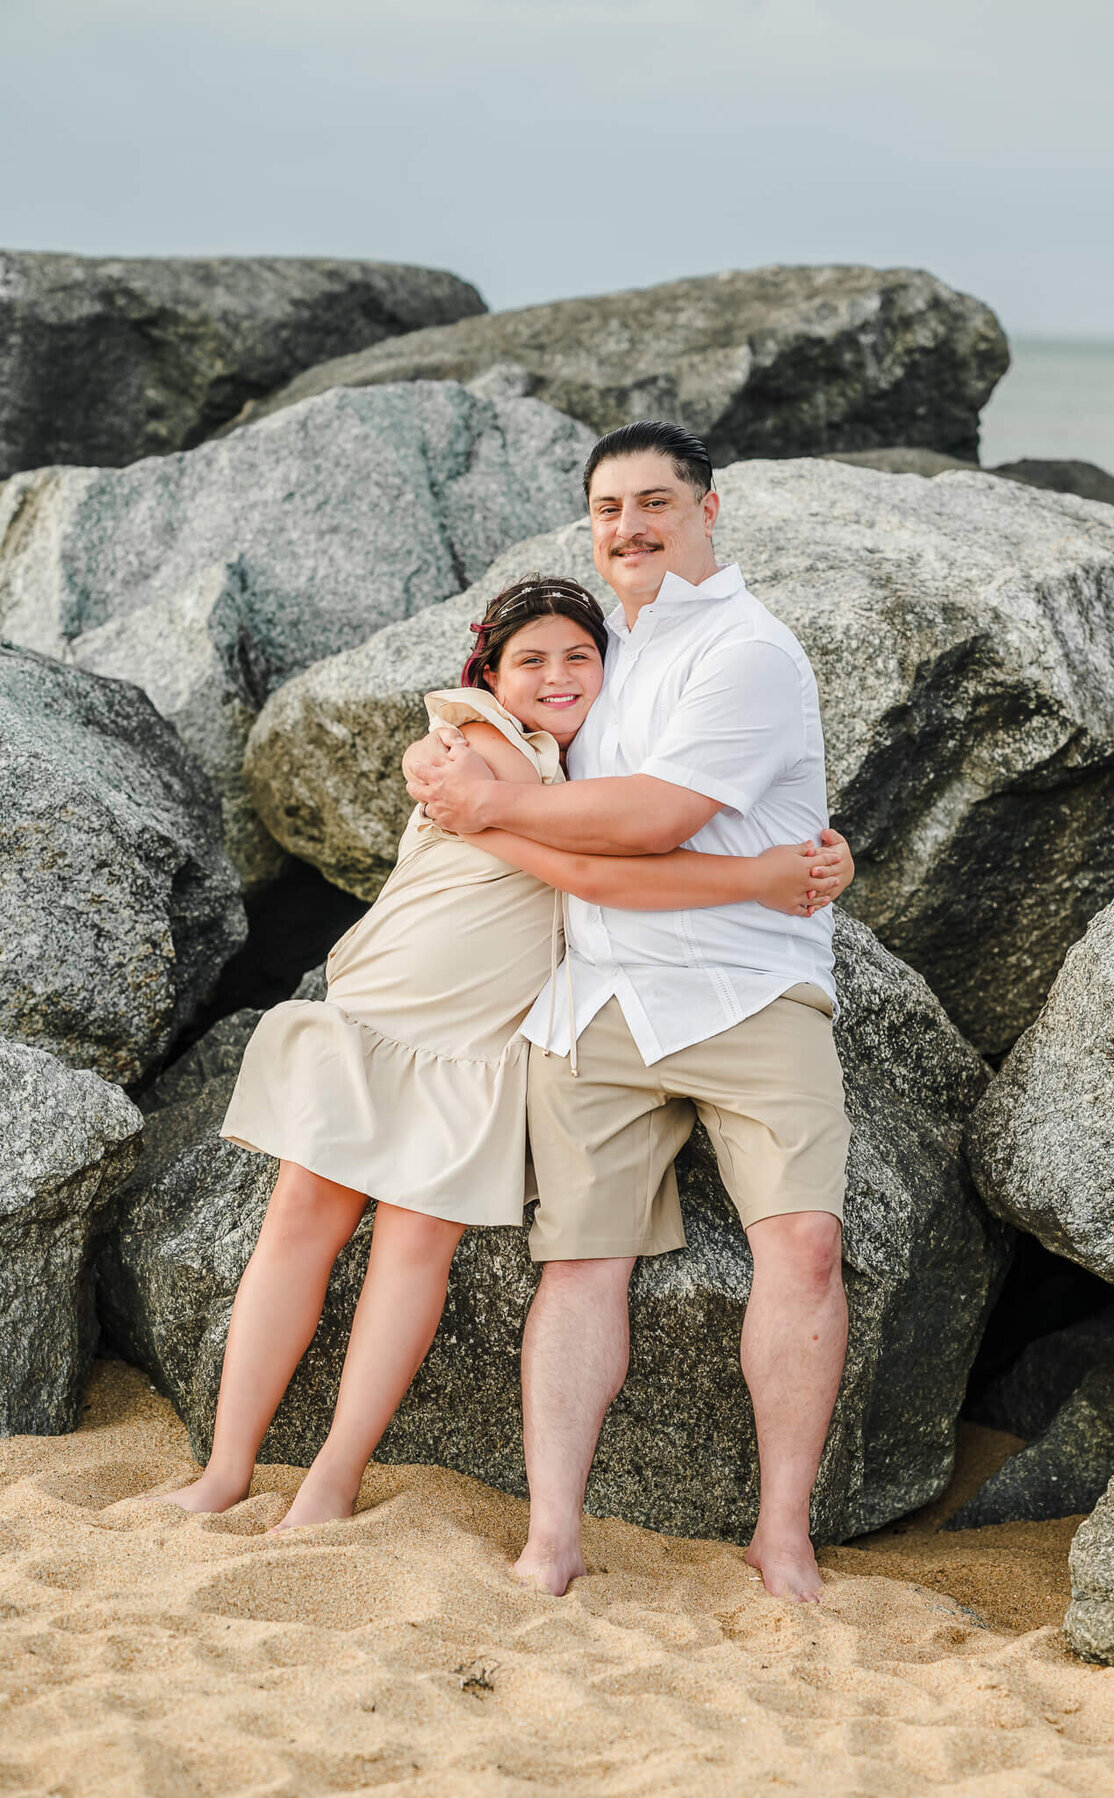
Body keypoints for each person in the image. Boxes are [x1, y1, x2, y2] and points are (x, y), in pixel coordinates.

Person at [143, 573, 853, 1530]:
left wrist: (811, 859)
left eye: (580, 656)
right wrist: (763, 874)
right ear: (490, 671)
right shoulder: (479, 743)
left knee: (412, 1253)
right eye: (532, 660)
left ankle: (332, 1478)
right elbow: (597, 869)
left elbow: (638, 829)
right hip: (385, 1011)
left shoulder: (580, 764)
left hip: (477, 1049)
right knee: (299, 1223)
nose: (558, 676)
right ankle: (228, 1467)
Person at [405, 422, 852, 1605]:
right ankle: (554, 1536)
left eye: (656, 501)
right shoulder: (599, 653)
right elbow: (503, 741)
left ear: (714, 509)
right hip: (596, 992)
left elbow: (651, 817)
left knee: (803, 1244)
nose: (631, 526)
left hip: (749, 982)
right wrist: (462, 776)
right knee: (580, 1265)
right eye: (608, 508)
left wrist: (491, 807)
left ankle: (783, 1535)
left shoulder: (749, 651)